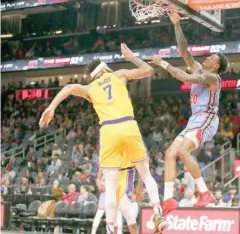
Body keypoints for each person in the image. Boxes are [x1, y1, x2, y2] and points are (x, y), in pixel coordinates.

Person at [39, 43, 167, 233]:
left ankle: (109, 229)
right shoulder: (119, 74)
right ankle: (158, 214)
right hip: (128, 124)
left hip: (108, 131)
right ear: (106, 68)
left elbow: (68, 87)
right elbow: (148, 70)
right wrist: (131, 56)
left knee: (111, 185)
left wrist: (52, 107)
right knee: (146, 173)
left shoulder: (90, 88)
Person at [148, 12, 229, 215]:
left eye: (212, 57)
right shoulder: (199, 68)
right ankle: (168, 199)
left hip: (207, 119)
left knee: (183, 151)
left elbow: (184, 77)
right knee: (169, 154)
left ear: (216, 65)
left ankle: (204, 192)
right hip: (195, 120)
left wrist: (163, 63)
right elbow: (184, 51)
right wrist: (177, 25)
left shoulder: (213, 78)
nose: (208, 57)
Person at [92, 162, 141, 234]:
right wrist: (100, 185)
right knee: (104, 214)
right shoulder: (106, 162)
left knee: (117, 214)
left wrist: (135, 191)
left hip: (119, 192)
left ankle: (118, 232)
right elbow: (98, 179)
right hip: (108, 192)